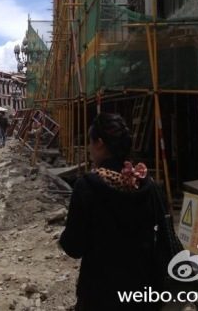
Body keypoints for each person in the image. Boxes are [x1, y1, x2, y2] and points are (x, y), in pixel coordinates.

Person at [59, 113, 165, 310]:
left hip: (100, 295)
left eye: (90, 143)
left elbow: (74, 247)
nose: (89, 148)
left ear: (99, 144)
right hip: (143, 294)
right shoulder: (147, 185)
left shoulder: (87, 186)